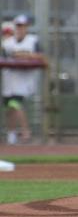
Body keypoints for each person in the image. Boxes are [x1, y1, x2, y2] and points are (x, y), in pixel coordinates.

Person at [1, 15, 47, 145]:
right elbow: (4, 57)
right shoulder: (7, 42)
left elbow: (41, 57)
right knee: (9, 109)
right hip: (9, 79)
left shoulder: (33, 41)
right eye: (18, 26)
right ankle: (11, 134)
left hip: (24, 80)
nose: (20, 29)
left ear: (27, 27)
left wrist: (23, 55)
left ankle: (26, 132)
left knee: (15, 104)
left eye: (22, 26)